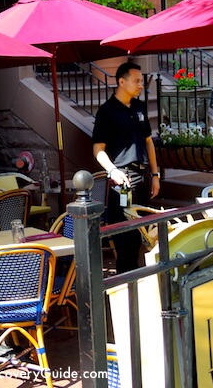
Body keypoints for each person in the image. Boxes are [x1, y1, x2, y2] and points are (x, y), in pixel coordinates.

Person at [92, 62, 159, 274]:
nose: (141, 85)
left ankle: (138, 281)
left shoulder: (139, 107)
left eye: (141, 81)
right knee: (125, 238)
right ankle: (126, 287)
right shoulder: (107, 112)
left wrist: (156, 175)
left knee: (143, 235)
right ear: (122, 82)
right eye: (137, 80)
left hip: (143, 176)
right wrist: (113, 171)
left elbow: (148, 142)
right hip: (123, 180)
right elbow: (98, 149)